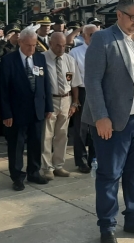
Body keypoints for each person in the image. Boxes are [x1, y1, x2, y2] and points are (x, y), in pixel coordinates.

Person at [83, 0, 134, 243]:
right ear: (118, 15)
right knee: (109, 175)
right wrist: (101, 117)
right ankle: (107, 226)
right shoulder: (103, 39)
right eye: (133, 17)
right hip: (113, 122)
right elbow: (92, 81)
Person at [0, 29, 54, 191]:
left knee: (36, 142)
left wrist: (48, 106)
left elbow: (45, 84)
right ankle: (17, 176)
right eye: (28, 45)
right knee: (16, 145)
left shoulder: (40, 58)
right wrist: (6, 113)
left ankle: (34, 172)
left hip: (37, 109)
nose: (32, 48)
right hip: (17, 112)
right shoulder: (9, 60)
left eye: (34, 45)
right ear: (20, 42)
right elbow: (3, 89)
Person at [42, 32, 83, 179]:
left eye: (64, 45)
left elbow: (75, 83)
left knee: (62, 134)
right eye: (58, 45)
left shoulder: (69, 60)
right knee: (46, 135)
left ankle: (58, 165)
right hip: (50, 100)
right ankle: (47, 167)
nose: (61, 48)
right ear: (50, 43)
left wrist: (74, 102)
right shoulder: (42, 59)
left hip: (66, 99)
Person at [69, 24, 99, 173]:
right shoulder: (75, 52)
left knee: (96, 126)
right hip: (82, 91)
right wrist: (75, 98)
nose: (94, 37)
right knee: (80, 128)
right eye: (92, 34)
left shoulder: (103, 50)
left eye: (96, 34)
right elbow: (73, 77)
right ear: (84, 36)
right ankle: (81, 160)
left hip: (98, 91)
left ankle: (94, 157)